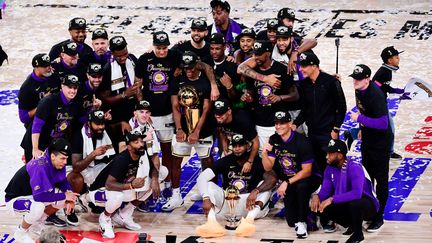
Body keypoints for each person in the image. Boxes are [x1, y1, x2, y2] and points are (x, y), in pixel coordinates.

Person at [88, 129, 168, 238]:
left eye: (141, 141)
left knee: (158, 176)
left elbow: (153, 169)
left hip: (123, 188)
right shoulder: (122, 159)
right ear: (129, 147)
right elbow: (109, 184)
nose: (141, 144)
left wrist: (154, 180)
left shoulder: (142, 154)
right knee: (117, 196)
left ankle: (124, 215)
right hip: (100, 191)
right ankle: (105, 218)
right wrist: (131, 186)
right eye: (136, 142)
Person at [195, 134, 276, 238]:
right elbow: (202, 178)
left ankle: (248, 221)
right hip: (227, 206)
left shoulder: (257, 161)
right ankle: (211, 223)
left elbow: (272, 179)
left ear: (248, 146)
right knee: (209, 185)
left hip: (249, 205)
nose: (237, 149)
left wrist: (256, 191)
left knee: (265, 188)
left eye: (240, 146)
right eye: (234, 146)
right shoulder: (225, 161)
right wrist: (206, 198)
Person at [166, 51, 214, 211]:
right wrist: (179, 129)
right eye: (186, 68)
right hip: (183, 128)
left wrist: (197, 131)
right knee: (175, 160)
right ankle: (175, 195)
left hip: (203, 129)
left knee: (207, 161)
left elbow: (206, 109)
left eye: (192, 67)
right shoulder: (177, 79)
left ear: (197, 65)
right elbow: (175, 106)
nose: (189, 71)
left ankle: (207, 192)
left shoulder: (205, 82)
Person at [5, 138, 78, 243]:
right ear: (53, 156)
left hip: (32, 195)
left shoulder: (57, 162)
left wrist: (70, 195)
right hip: (15, 199)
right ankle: (20, 232)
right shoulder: (40, 166)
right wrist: (65, 196)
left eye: (66, 158)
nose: (65, 162)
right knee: (38, 206)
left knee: (62, 199)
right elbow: (39, 197)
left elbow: (63, 181)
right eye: (63, 158)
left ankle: (37, 223)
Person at [261, 111, 320, 239]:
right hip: (289, 180)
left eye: (282, 123)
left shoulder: (302, 141)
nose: (278, 126)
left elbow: (307, 171)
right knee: (290, 221)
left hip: (309, 178)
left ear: (290, 123)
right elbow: (268, 167)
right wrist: (264, 153)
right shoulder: (274, 139)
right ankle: (308, 213)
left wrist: (286, 183)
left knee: (301, 187)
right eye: (276, 123)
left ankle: (302, 222)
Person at [348, 64, 392, 232]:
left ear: (367, 79)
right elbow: (363, 110)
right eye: (354, 78)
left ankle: (379, 216)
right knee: (367, 177)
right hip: (368, 139)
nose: (355, 81)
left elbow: (383, 123)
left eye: (358, 79)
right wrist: (361, 127)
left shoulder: (376, 94)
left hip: (380, 143)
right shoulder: (359, 89)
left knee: (380, 179)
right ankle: (370, 211)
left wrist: (360, 119)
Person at [311, 139, 379, 243]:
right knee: (324, 207)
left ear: (340, 155)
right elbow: (325, 190)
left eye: (330, 154)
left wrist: (332, 199)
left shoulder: (354, 167)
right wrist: (317, 196)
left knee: (355, 204)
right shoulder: (329, 168)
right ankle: (352, 224)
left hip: (367, 205)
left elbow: (357, 193)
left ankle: (358, 235)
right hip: (348, 202)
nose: (326, 156)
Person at [294, 52, 347, 175]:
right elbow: (305, 109)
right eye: (300, 66)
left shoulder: (331, 82)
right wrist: (295, 124)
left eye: (304, 66)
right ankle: (324, 188)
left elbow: (341, 107)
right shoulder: (304, 84)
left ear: (314, 66)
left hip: (328, 132)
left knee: (334, 163)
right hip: (312, 132)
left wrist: (336, 129)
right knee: (319, 163)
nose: (301, 69)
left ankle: (338, 190)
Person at [241, 40, 299, 152]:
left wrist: (280, 98)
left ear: (267, 54)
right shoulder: (252, 72)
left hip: (279, 122)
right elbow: (250, 93)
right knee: (264, 156)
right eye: (253, 54)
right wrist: (247, 97)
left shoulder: (281, 69)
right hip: (260, 122)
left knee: (282, 155)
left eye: (258, 54)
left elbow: (295, 95)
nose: (255, 57)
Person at [21, 74, 81, 162]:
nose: (72, 91)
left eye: (75, 88)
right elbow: (36, 126)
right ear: (62, 86)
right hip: (36, 142)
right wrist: (35, 149)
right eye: (70, 87)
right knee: (35, 171)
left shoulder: (75, 104)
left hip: (53, 142)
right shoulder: (49, 101)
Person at [68, 110, 115, 213]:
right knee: (76, 179)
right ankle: (73, 203)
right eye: (97, 124)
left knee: (115, 173)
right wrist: (93, 154)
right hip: (80, 169)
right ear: (89, 123)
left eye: (102, 123)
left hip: (98, 167)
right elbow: (76, 167)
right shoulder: (79, 136)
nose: (101, 127)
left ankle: (90, 198)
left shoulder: (106, 132)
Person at [98, 35, 139, 151]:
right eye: (119, 56)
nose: (123, 58)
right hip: (117, 116)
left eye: (125, 54)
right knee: (123, 149)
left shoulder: (132, 60)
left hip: (133, 112)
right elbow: (105, 99)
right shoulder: (107, 69)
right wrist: (124, 94)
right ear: (112, 53)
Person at [373, 46, 405, 159]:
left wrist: (399, 91)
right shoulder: (384, 72)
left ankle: (351, 134)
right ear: (389, 60)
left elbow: (384, 87)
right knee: (390, 128)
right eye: (396, 57)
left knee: (377, 127)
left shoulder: (387, 70)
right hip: (378, 104)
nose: (399, 59)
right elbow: (375, 87)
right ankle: (389, 152)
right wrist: (399, 91)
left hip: (380, 102)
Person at [213, 98, 259, 172]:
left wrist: (250, 162)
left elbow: (256, 142)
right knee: (224, 165)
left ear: (229, 111)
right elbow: (222, 132)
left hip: (247, 143)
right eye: (216, 113)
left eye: (221, 113)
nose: (218, 117)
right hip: (233, 143)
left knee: (250, 167)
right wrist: (225, 149)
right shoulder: (218, 120)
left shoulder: (243, 120)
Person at [18, 53, 60, 127]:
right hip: (36, 124)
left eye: (50, 64)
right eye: (45, 66)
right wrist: (43, 104)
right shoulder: (27, 88)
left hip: (55, 120)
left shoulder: (54, 74)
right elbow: (23, 118)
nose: (49, 68)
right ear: (36, 67)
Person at [206, 33, 241, 106]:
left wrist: (229, 87)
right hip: (207, 102)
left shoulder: (232, 66)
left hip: (226, 105)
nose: (214, 52)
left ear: (224, 47)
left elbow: (236, 98)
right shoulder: (206, 60)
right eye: (212, 48)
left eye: (217, 48)